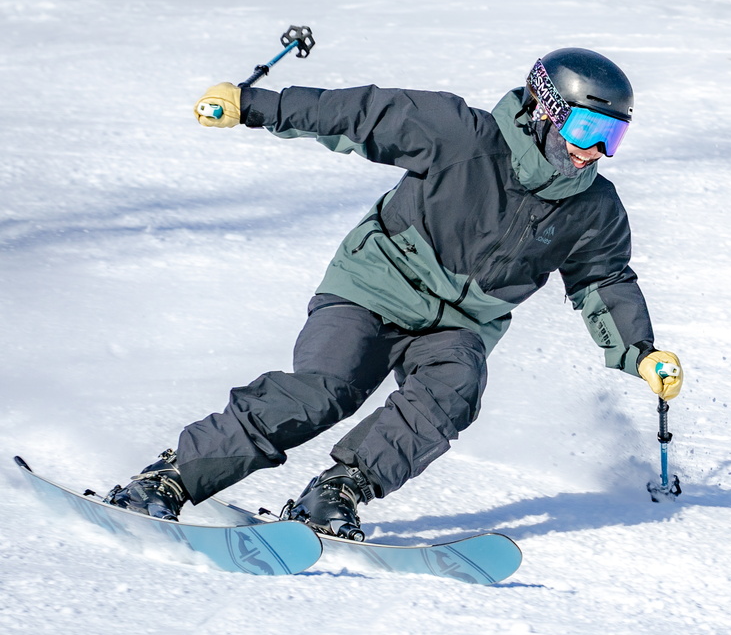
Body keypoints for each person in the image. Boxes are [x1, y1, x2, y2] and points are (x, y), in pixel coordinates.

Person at [106, 48, 683, 541]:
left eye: (613, 136)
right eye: (585, 129)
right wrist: (252, 105)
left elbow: (604, 280)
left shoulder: (594, 207)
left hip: (458, 324)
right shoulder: (461, 134)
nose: (594, 151)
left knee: (451, 392)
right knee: (323, 392)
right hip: (374, 286)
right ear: (543, 112)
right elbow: (361, 114)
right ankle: (170, 479)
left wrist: (639, 351)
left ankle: (336, 492)